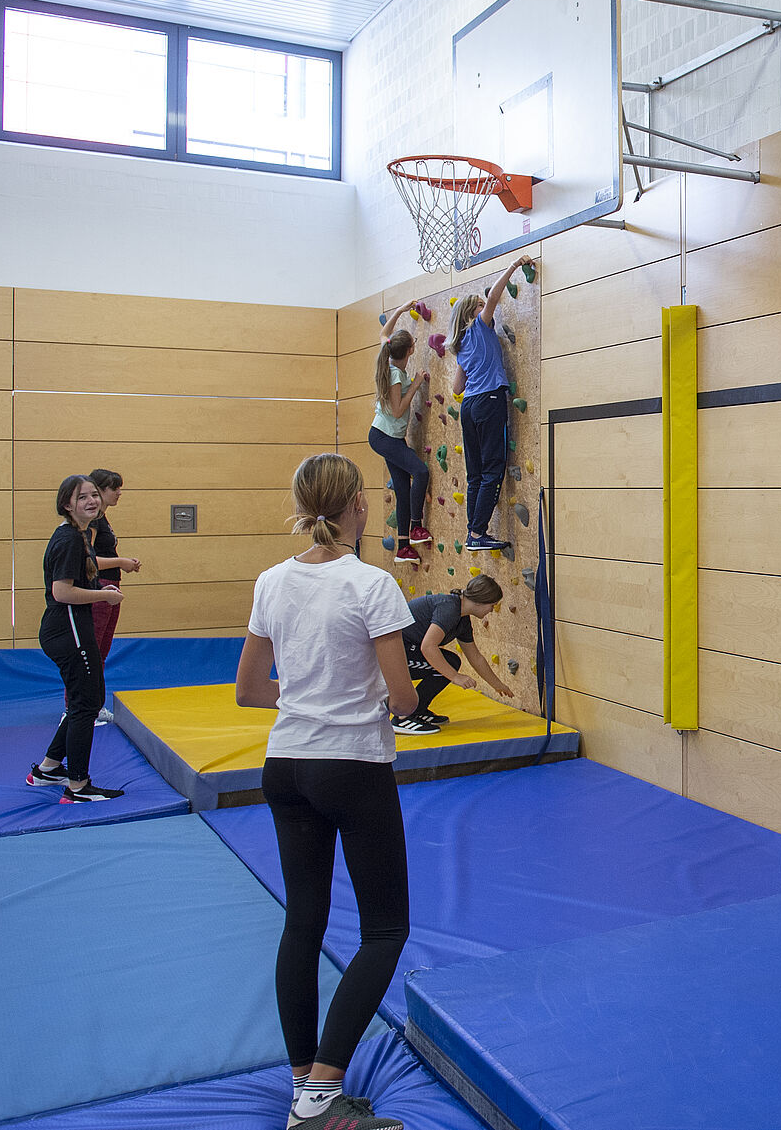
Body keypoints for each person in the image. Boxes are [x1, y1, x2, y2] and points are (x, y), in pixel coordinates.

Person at [234, 453, 417, 1130]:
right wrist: (371, 695)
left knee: (303, 921)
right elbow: (400, 698)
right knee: (386, 929)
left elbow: (250, 690)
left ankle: (301, 1083)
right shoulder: (372, 584)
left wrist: (306, 692)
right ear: (358, 507)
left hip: (285, 765)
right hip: (350, 765)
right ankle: (319, 1095)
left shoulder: (271, 580)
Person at [25, 475, 126, 802]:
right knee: (85, 704)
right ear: (67, 504)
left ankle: (50, 767)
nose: (92, 501)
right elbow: (62, 591)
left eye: (94, 495)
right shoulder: (69, 538)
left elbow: (74, 582)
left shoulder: (79, 536)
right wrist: (102, 598)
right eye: (82, 497)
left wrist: (100, 589)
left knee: (90, 698)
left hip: (68, 627)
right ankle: (78, 785)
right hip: (67, 630)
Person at [449, 256, 531, 552]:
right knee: (493, 469)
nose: (488, 310)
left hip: (468, 407)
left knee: (475, 474)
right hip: (489, 400)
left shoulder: (460, 345)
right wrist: (512, 267)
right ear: (474, 313)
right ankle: (477, 532)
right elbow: (494, 296)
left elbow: (457, 387)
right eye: (481, 308)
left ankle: (473, 531)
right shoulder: (479, 328)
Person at [397, 575, 516, 732]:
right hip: (390, 655)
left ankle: (417, 710)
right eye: (492, 605)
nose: (492, 610)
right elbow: (428, 647)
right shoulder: (449, 608)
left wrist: (497, 685)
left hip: (407, 650)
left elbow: (476, 658)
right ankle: (403, 716)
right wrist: (455, 677)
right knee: (449, 666)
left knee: (452, 661)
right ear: (480, 601)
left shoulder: (462, 619)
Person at [370, 304, 432, 564]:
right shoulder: (395, 374)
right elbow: (397, 411)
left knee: (403, 491)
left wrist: (402, 310)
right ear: (410, 350)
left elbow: (384, 332)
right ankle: (416, 526)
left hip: (388, 438)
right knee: (420, 472)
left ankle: (403, 547)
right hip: (384, 437)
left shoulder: (387, 356)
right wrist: (416, 385)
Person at [85, 468, 140, 663]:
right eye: (114, 488)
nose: (119, 493)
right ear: (99, 490)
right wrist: (120, 562)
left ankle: (95, 691)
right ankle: (82, 692)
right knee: (93, 648)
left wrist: (124, 562)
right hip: (100, 586)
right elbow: (88, 559)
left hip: (111, 585)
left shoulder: (102, 520)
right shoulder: (93, 521)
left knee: (101, 650)